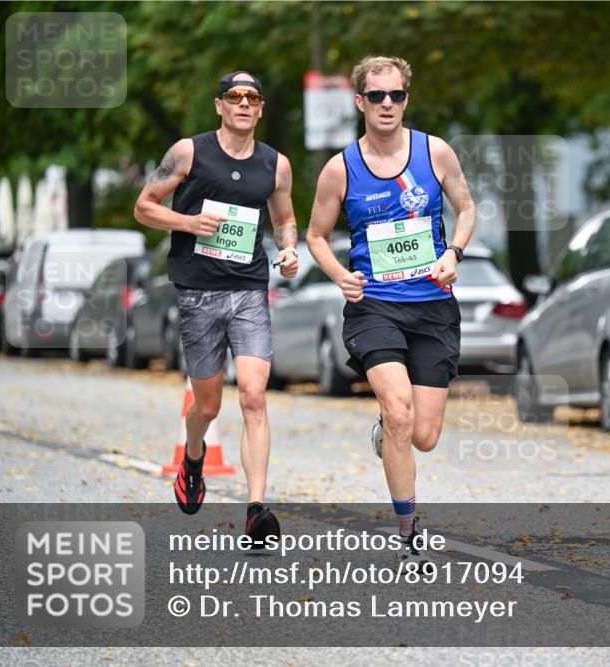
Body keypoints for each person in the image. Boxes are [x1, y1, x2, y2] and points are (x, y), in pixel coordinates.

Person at [307, 56, 476, 568]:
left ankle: (389, 432)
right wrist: (340, 275)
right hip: (374, 307)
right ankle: (408, 531)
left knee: (422, 435)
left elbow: (467, 209)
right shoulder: (340, 168)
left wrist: (454, 254)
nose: (387, 104)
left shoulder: (435, 152)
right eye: (377, 96)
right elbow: (316, 235)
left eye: (396, 95)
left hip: (433, 308)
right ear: (360, 101)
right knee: (400, 410)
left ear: (406, 99)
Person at [134, 71, 299, 544]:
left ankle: (257, 510)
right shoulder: (189, 152)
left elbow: (284, 218)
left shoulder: (276, 165)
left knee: (253, 394)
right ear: (220, 105)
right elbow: (144, 207)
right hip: (198, 292)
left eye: (252, 97)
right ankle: (192, 456)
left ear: (261, 109)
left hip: (249, 288)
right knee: (207, 405)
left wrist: (288, 250)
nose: (244, 103)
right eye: (235, 96)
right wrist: (188, 222)